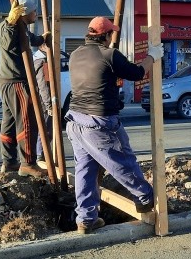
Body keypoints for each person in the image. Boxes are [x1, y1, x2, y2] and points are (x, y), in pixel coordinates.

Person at [65, 16, 163, 234]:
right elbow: (137, 73)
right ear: (107, 36)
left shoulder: (75, 54)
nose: (112, 38)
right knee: (122, 162)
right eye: (112, 34)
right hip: (99, 123)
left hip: (75, 121)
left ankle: (86, 218)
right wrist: (153, 56)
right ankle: (145, 197)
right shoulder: (109, 54)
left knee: (85, 170)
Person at [0, 0, 53, 178]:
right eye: (34, 12)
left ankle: (9, 161)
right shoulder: (9, 27)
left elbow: (31, 39)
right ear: (25, 13)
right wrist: (10, 22)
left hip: (7, 80)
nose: (36, 14)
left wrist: (43, 39)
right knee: (27, 122)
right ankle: (28, 163)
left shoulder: (23, 29)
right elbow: (7, 40)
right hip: (16, 81)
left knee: (10, 122)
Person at [32, 43, 53, 170]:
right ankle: (41, 155)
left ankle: (41, 153)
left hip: (40, 100)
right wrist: (49, 104)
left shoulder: (38, 59)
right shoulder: (42, 61)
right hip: (43, 101)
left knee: (43, 129)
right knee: (45, 130)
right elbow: (43, 85)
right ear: (42, 47)